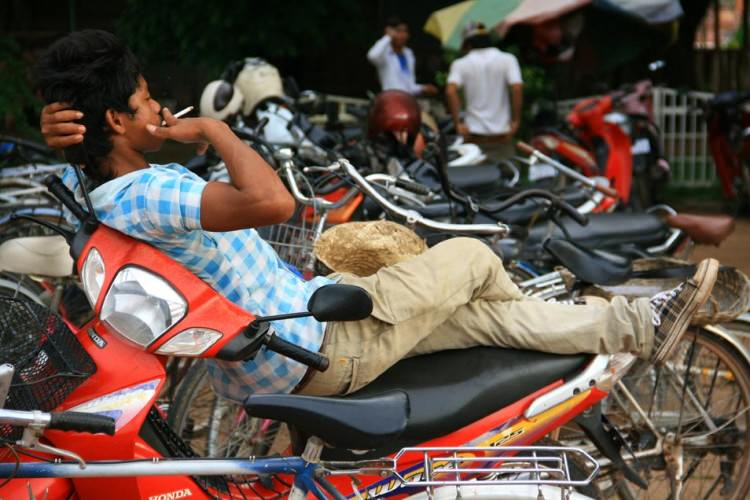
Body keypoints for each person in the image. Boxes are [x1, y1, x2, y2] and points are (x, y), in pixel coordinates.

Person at [39, 30, 718, 402]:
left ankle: (638, 323)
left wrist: (71, 139)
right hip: (321, 345)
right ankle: (590, 323)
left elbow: (94, 169)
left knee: (483, 316)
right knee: (476, 259)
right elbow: (273, 202)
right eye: (148, 99)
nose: (160, 109)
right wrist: (212, 132)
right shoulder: (144, 194)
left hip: (295, 338)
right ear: (116, 120)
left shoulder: (108, 185)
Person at [446, 22, 523, 161]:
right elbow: (517, 87)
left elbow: (451, 91)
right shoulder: (508, 59)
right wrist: (516, 120)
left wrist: (458, 122)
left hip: (474, 135)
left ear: (467, 43)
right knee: (507, 175)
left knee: (475, 178)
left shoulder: (460, 64)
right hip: (502, 135)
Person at [367, 17, 438, 97]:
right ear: (391, 32)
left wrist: (423, 88)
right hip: (390, 99)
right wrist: (387, 37)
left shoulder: (408, 53)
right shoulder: (384, 53)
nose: (403, 35)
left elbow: (409, 86)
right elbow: (372, 56)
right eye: (399, 31)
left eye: (405, 31)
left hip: (406, 100)